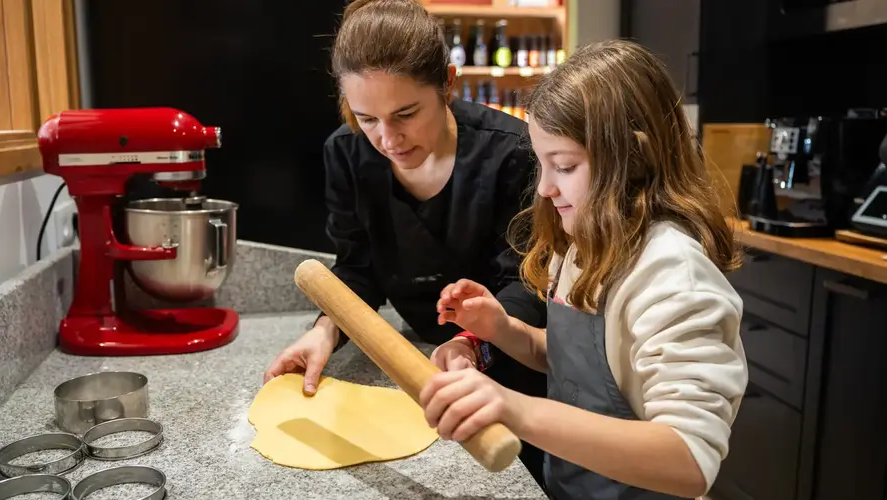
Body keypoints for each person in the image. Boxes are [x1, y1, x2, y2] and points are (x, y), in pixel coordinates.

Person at [419, 39, 749, 500]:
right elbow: (577, 366)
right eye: (542, 164)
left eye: (566, 166)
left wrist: (514, 409)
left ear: (634, 159)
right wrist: (502, 329)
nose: (545, 188)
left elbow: (690, 458)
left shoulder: (674, 276)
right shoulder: (581, 246)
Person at [262, 0, 548, 484]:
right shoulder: (347, 153)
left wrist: (472, 344)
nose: (387, 138)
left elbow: (525, 282)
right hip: (416, 357)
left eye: (406, 113)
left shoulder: (511, 151)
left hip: (512, 367)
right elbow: (357, 268)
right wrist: (324, 331)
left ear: (448, 84)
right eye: (367, 118)